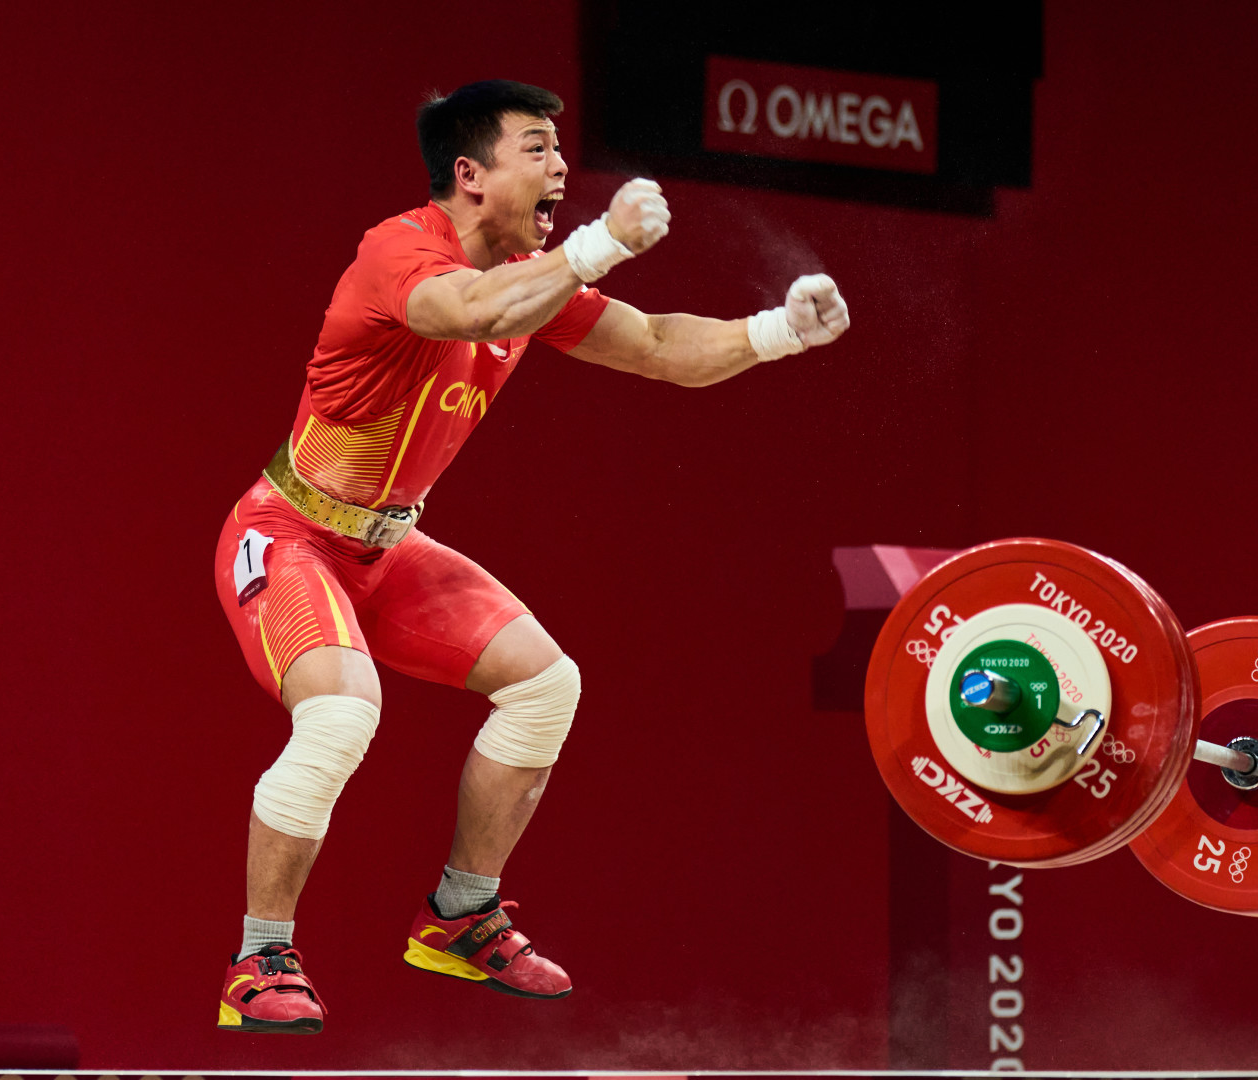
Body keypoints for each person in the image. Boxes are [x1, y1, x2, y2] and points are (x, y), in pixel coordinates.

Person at [211, 79, 849, 1033]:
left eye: (560, 152)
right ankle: (258, 958)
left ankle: (460, 918)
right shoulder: (402, 253)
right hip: (291, 534)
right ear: (469, 176)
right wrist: (603, 243)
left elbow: (661, 346)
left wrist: (776, 333)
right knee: (344, 716)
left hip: (389, 549)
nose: (560, 171)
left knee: (548, 685)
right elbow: (465, 310)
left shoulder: (534, 280)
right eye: (538, 149)